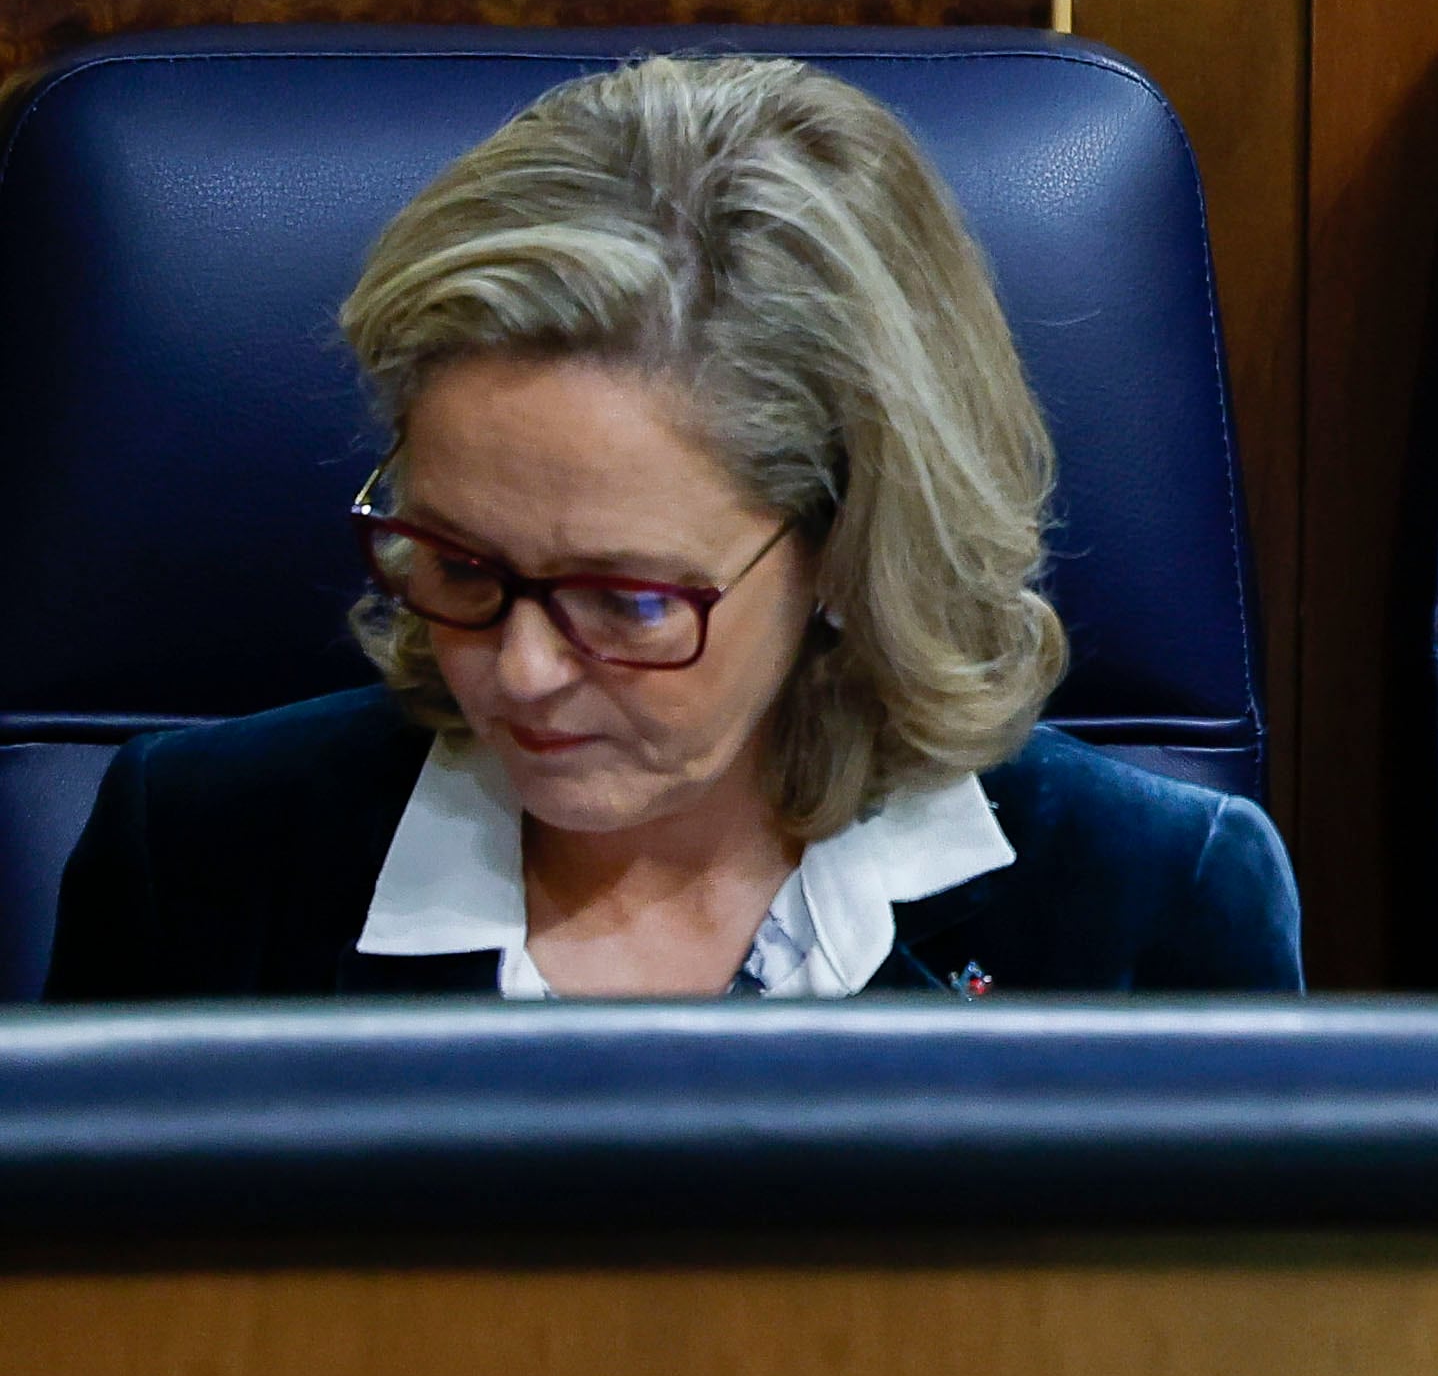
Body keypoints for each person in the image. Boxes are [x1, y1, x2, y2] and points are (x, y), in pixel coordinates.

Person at [47, 54, 1301, 998]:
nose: (522, 669)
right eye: (459, 562)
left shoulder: (1151, 907)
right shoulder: (197, 856)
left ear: (848, 551)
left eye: (630, 600)